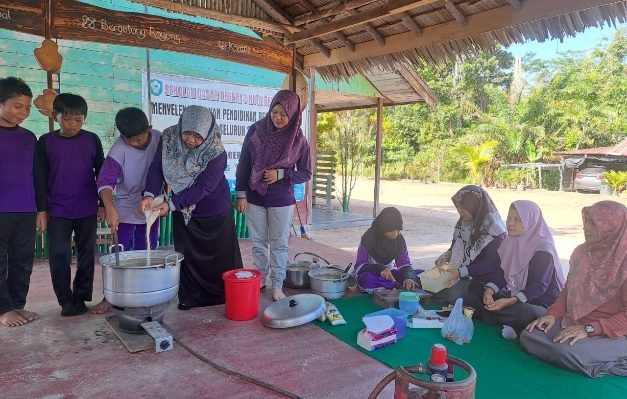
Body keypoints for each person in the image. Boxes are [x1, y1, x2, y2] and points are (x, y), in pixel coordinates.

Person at [140, 105, 242, 310]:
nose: (191, 140)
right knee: (188, 255)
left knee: (219, 257)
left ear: (207, 133)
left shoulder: (216, 151)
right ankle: (190, 297)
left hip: (212, 208)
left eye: (198, 136)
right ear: (181, 127)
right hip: (181, 209)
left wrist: (171, 204)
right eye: (187, 133)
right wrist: (150, 195)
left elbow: (205, 186)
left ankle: (225, 294)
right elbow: (157, 168)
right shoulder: (169, 137)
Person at [520, 200, 627, 378]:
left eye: (593, 223)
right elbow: (568, 291)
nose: (586, 227)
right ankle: (586, 354)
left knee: (564, 351)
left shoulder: (624, 263)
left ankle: (616, 357)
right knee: (530, 335)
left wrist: (590, 329)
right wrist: (552, 315)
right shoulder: (581, 252)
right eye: (586, 221)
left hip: (613, 331)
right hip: (575, 322)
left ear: (611, 227)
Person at [234, 90, 312, 301]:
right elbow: (244, 164)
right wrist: (241, 194)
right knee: (258, 243)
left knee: (278, 243)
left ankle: (277, 284)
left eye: (283, 114)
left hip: (280, 199)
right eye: (274, 112)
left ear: (294, 114)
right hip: (254, 196)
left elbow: (306, 172)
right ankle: (261, 278)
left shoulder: (298, 140)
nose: (277, 118)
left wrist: (282, 173)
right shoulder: (256, 131)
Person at [35, 93, 105, 316]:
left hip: (87, 208)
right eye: (67, 118)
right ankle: (65, 300)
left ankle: (81, 297)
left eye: (78, 119)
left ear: (84, 118)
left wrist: (103, 204)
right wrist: (42, 210)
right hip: (58, 209)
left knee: (87, 253)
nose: (72, 124)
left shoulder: (92, 139)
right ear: (56, 116)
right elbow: (39, 177)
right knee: (59, 255)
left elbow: (102, 174)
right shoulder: (46, 141)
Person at [91, 107, 161, 314]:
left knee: (147, 252)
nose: (135, 144)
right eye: (129, 140)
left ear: (149, 128)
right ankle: (110, 296)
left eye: (139, 139)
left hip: (152, 206)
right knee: (118, 255)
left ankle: (145, 294)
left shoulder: (159, 139)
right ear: (121, 135)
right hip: (125, 207)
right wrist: (109, 206)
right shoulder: (118, 150)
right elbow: (104, 182)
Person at [464, 200, 565, 337]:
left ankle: (498, 318)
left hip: (540, 304)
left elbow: (538, 287)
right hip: (516, 296)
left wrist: (509, 301)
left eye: (517, 219)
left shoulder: (543, 249)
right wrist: (489, 291)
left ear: (530, 221)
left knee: (524, 312)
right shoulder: (510, 241)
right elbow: (502, 273)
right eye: (509, 218)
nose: (510, 223)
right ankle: (505, 320)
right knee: (476, 288)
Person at [0, 77, 43, 327]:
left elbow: (37, 176)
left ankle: (17, 305)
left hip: (26, 209)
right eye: (17, 106)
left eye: (27, 108)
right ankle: (3, 310)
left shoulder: (29, 138)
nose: (24, 113)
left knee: (23, 259)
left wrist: (41, 209)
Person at [431, 185, 506, 304]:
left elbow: (489, 264)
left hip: (484, 281)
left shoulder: (493, 230)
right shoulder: (464, 222)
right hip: (463, 274)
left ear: (475, 205)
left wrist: (460, 272)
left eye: (464, 207)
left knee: (451, 295)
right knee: (426, 282)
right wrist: (446, 256)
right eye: (458, 207)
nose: (460, 211)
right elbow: (455, 246)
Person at [355, 207, 422, 292]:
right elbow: (360, 266)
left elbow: (404, 264)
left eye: (398, 230)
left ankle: (392, 285)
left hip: (391, 274)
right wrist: (380, 268)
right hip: (372, 273)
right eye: (392, 230)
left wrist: (409, 277)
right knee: (366, 279)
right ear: (383, 227)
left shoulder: (399, 240)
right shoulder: (368, 238)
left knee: (418, 275)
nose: (395, 234)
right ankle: (395, 285)